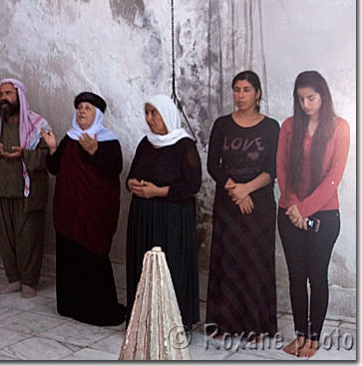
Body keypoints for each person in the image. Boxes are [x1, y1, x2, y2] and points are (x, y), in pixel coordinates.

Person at [277, 71, 350, 358]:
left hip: (325, 216)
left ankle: (315, 338)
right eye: (301, 99)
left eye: (311, 98)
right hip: (289, 213)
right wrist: (293, 206)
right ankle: (299, 335)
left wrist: (304, 210)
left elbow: (335, 176)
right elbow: (281, 169)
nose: (306, 104)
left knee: (316, 276)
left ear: (323, 96)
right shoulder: (289, 126)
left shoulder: (340, 128)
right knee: (296, 276)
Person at [205, 71, 280, 341]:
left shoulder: (271, 127)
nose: (240, 95)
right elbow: (213, 164)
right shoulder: (222, 124)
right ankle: (223, 324)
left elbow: (273, 168)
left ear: (258, 93)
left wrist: (247, 189)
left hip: (259, 204)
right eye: (236, 89)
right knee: (227, 261)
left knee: (254, 263)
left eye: (247, 89)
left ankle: (256, 326)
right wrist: (235, 191)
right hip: (228, 203)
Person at [41, 92, 126, 326]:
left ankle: (98, 310)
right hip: (68, 212)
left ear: (97, 114)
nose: (82, 111)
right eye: (79, 107)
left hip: (94, 214)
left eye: (88, 108)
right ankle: (71, 306)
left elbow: (114, 168)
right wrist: (51, 148)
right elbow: (55, 167)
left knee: (93, 258)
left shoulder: (107, 140)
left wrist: (95, 152)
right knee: (70, 257)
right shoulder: (70, 139)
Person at [125, 94, 201, 331]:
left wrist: (158, 191)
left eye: (154, 112)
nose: (149, 118)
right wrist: (132, 185)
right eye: (147, 113)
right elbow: (132, 173)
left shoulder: (185, 145)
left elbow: (192, 185)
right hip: (144, 218)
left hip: (173, 219)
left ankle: (173, 321)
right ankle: (143, 319)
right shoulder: (145, 143)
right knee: (143, 268)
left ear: (166, 114)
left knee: (171, 268)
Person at [0, 78, 51, 299]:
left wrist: (25, 154)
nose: (4, 98)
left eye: (8, 94)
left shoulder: (38, 125)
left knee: (28, 238)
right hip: (3, 190)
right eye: (1, 94)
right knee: (6, 238)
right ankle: (14, 279)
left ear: (19, 97)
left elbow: (47, 157)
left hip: (28, 194)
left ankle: (29, 282)